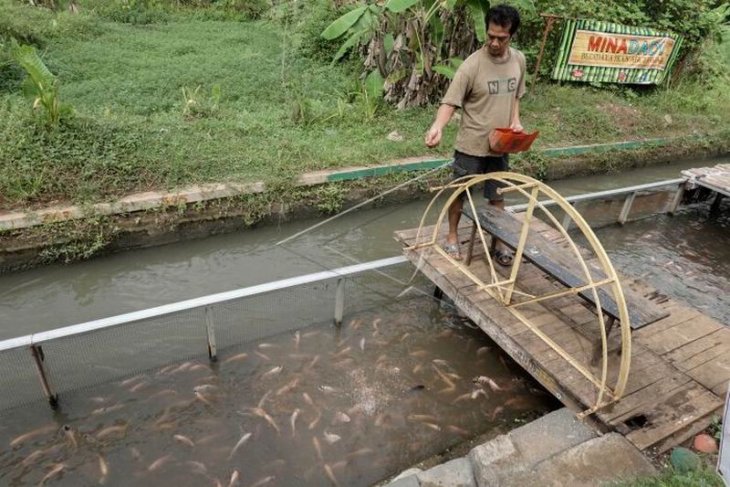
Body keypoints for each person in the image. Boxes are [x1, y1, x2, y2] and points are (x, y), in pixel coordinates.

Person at [424, 4, 526, 265]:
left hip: (501, 144)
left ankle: (499, 241)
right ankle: (452, 236)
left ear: (511, 36)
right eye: (490, 36)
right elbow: (450, 102)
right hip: (471, 145)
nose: (493, 42)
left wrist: (515, 121)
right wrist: (437, 126)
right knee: (460, 192)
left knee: (498, 195)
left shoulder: (519, 61)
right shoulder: (472, 65)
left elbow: (516, 96)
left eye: (500, 38)